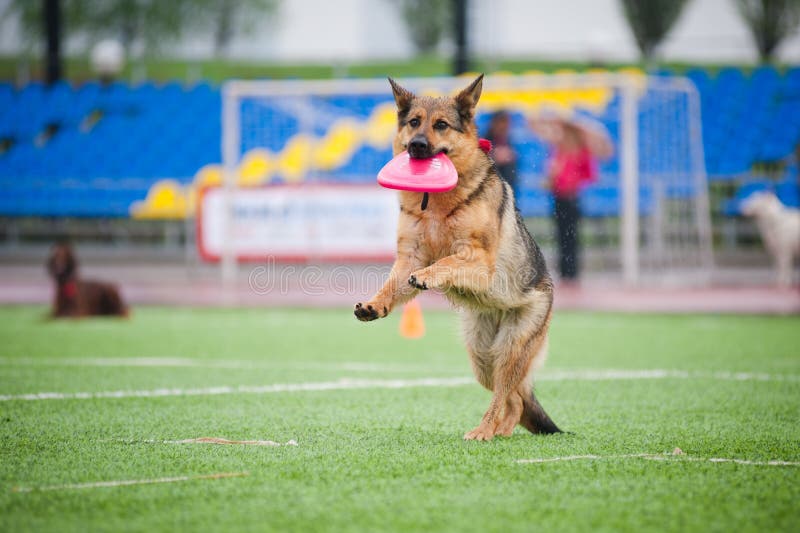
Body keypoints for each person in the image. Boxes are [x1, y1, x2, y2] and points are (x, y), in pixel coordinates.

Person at [530, 114, 610, 283]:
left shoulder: (581, 152)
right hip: (559, 198)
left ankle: (572, 273)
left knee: (571, 237)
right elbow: (534, 125)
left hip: (572, 198)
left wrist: (574, 121)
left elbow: (602, 156)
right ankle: (565, 273)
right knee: (561, 235)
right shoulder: (558, 152)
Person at [483, 110, 518, 191]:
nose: (503, 127)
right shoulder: (483, 140)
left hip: (506, 187)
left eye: (506, 123)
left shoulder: (509, 141)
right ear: (494, 123)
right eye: (501, 123)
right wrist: (494, 157)